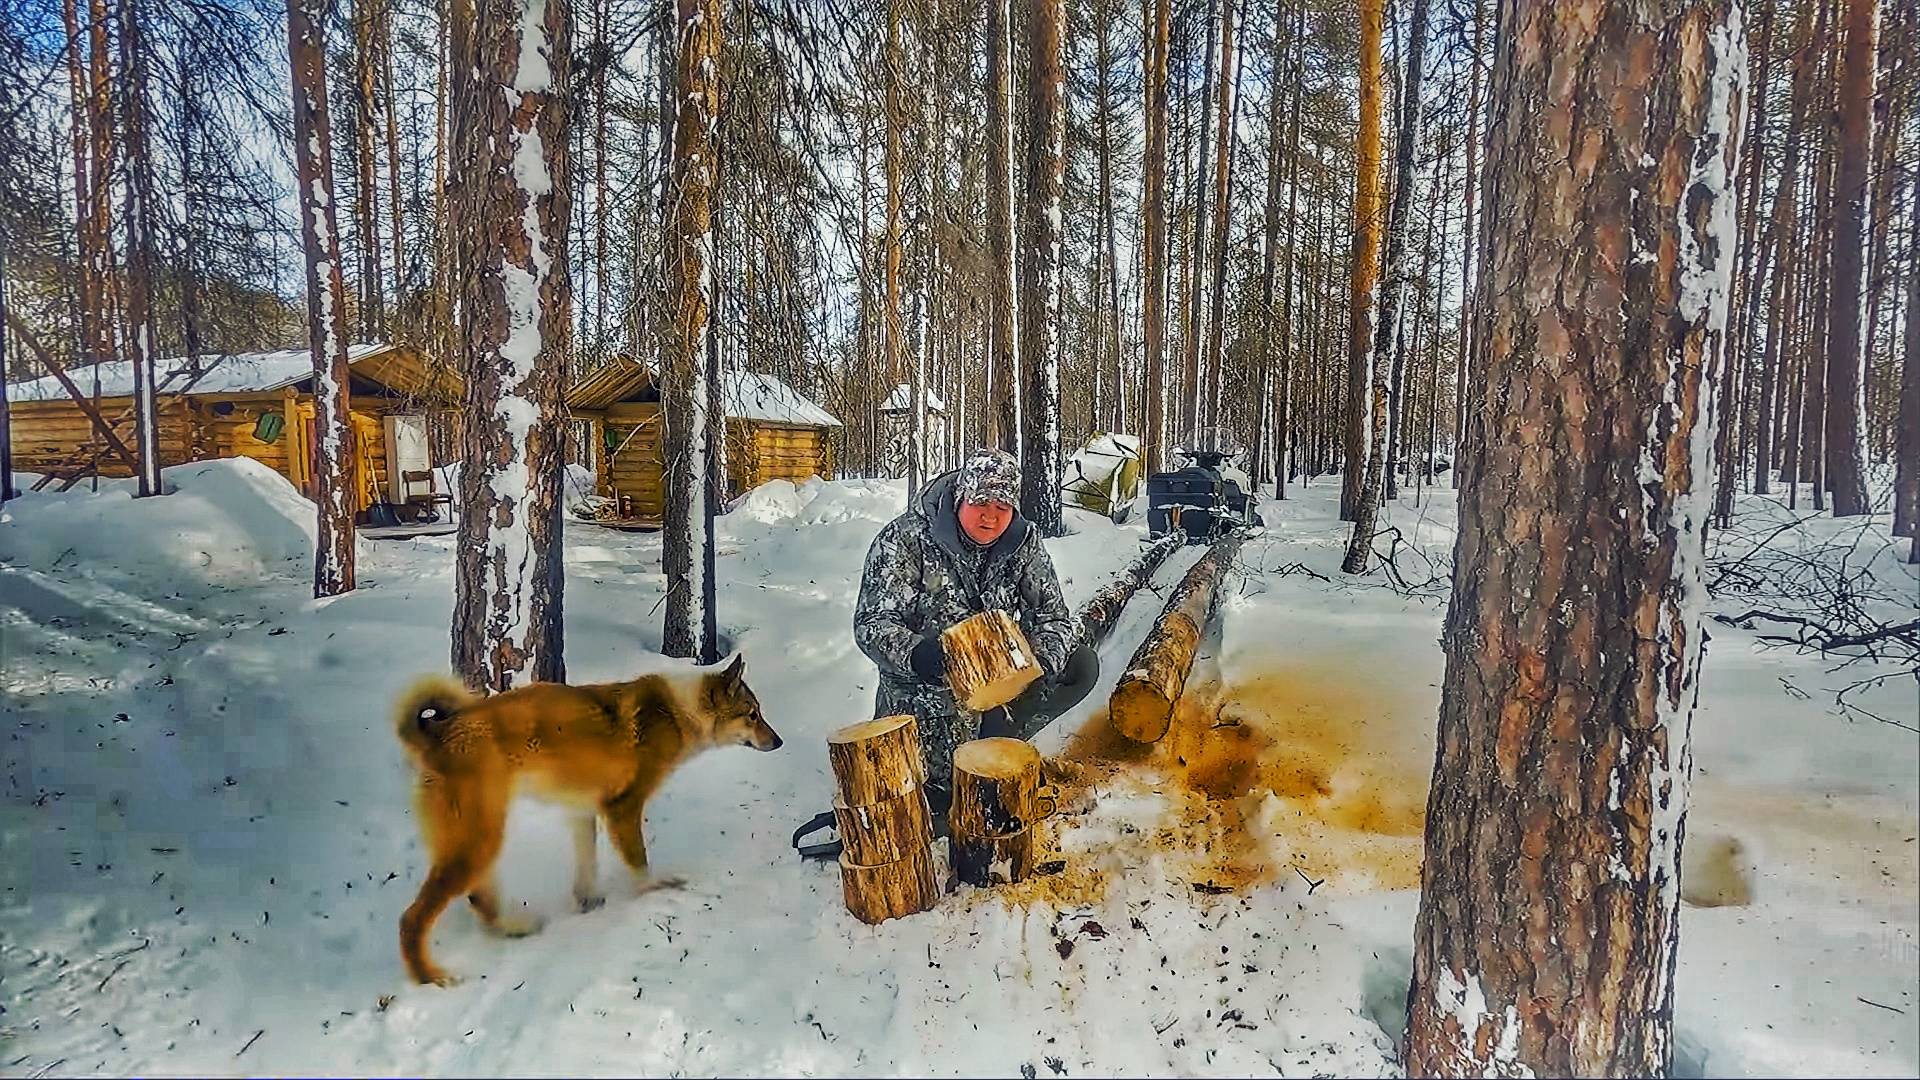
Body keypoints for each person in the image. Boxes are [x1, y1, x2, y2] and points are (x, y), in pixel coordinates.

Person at [851, 448, 1099, 819]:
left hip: (997, 682)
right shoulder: (905, 539)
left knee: (1080, 665)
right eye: (980, 502)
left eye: (1002, 506)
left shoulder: (1023, 541)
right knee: (944, 806)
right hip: (928, 691)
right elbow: (872, 624)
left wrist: (1036, 669)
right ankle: (945, 772)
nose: (990, 516)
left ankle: (999, 739)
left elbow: (1053, 618)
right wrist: (918, 655)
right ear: (960, 498)